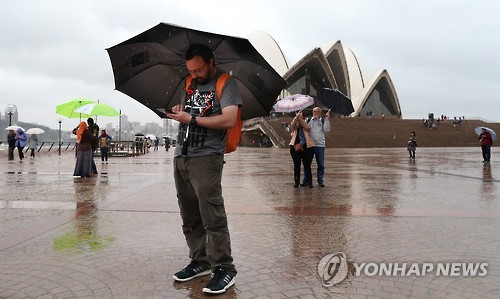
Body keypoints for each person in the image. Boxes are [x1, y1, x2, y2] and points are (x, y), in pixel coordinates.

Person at [165, 43, 242, 295]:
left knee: (212, 215)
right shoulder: (190, 84)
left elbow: (229, 118)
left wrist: (193, 119)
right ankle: (200, 261)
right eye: (191, 71)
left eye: (198, 70)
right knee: (190, 215)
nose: (195, 75)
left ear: (210, 62)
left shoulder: (225, 84)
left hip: (206, 158)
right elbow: (188, 113)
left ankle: (224, 268)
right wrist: (180, 111)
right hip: (182, 156)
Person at [302, 107, 330, 187]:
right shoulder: (308, 120)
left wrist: (327, 119)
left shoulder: (323, 120)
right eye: (314, 111)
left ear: (320, 113)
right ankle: (305, 180)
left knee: (320, 164)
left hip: (320, 145)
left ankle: (320, 181)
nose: (315, 113)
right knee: (307, 164)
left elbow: (327, 130)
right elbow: (305, 129)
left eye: (316, 111)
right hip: (310, 145)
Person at [289, 110, 315, 188]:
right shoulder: (296, 125)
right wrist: (296, 117)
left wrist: (300, 120)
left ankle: (309, 182)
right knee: (296, 165)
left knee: (307, 165)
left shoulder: (308, 121)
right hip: (295, 146)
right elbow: (292, 125)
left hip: (307, 146)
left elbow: (307, 128)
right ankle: (296, 182)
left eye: (301, 115)